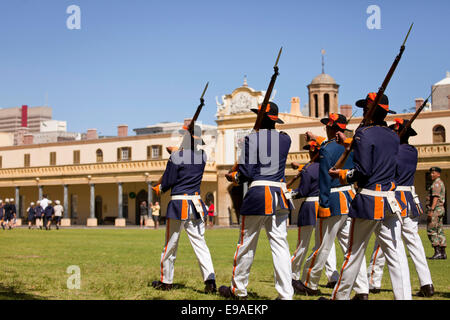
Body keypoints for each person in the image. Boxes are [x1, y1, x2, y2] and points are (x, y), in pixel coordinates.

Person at [328, 92, 412, 300]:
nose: (364, 112)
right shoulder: (393, 135)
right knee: (396, 256)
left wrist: (343, 174)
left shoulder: (363, 134)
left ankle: (340, 297)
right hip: (390, 199)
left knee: (354, 253)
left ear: (369, 111)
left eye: (365, 109)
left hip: (369, 198)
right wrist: (351, 140)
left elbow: (363, 170)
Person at [219, 102, 294, 300]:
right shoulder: (285, 139)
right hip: (279, 194)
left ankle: (239, 290)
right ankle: (286, 294)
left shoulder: (251, 139)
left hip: (259, 192)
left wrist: (233, 177)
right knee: (280, 246)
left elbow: (246, 172)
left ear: (261, 118)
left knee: (246, 244)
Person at [295, 114, 369, 299]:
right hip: (350, 197)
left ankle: (309, 283)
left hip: (333, 199)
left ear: (331, 128)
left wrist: (324, 203)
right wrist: (314, 137)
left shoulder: (326, 148)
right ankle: (362, 288)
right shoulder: (351, 145)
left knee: (322, 246)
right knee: (352, 249)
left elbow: (325, 178)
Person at [366, 119, 434, 297]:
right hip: (410, 199)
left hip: (394, 197)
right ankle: (427, 283)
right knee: (415, 244)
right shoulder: (412, 151)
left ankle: (373, 280)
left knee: (384, 241)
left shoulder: (393, 153)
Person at [151, 124, 216, 294]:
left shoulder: (177, 156)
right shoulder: (202, 156)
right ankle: (210, 281)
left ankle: (166, 281)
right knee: (200, 244)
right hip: (195, 204)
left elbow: (169, 179)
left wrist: (160, 188)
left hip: (179, 203)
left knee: (170, 245)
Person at [290, 139, 341, 293]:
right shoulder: (328, 167)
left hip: (310, 206)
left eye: (311, 150)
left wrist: (290, 193)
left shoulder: (308, 169)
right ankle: (332, 276)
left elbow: (303, 191)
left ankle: (292, 274)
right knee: (324, 244)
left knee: (303, 244)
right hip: (324, 205)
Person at [426, 166, 447, 260]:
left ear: (438, 174)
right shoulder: (440, 182)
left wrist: (431, 210)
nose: (431, 174)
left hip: (436, 209)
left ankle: (437, 252)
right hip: (440, 209)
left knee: (431, 230)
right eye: (431, 173)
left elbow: (435, 197)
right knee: (439, 230)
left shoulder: (436, 184)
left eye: (434, 173)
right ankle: (443, 253)